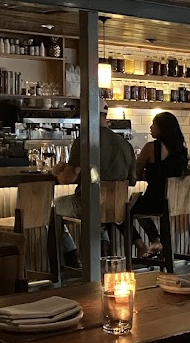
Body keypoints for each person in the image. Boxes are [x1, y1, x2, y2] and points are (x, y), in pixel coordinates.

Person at [53, 105, 136, 266]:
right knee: (99, 212)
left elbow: (68, 178)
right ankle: (103, 249)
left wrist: (56, 172)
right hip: (115, 207)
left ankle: (71, 258)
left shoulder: (84, 140)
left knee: (52, 208)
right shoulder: (125, 144)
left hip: (88, 204)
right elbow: (132, 180)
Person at [129, 112, 188, 259]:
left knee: (125, 209)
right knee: (137, 204)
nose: (151, 127)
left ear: (162, 128)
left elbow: (134, 174)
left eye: (154, 124)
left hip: (156, 201)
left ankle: (147, 241)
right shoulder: (181, 150)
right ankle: (156, 242)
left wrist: (146, 174)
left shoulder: (151, 147)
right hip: (178, 202)